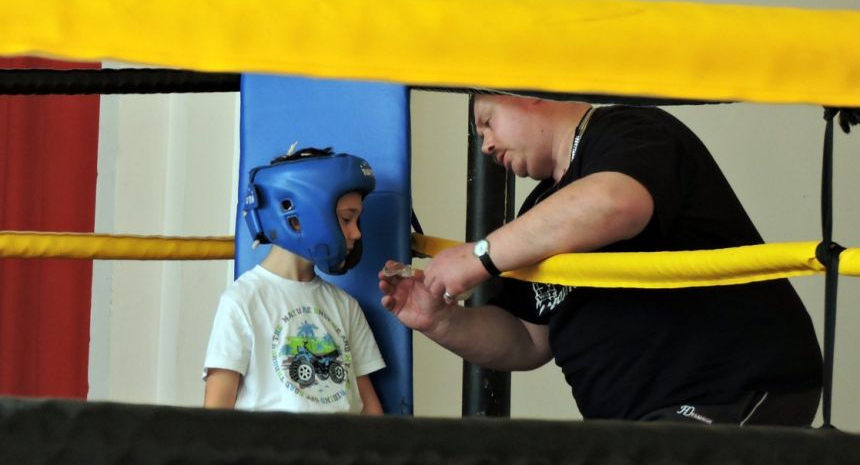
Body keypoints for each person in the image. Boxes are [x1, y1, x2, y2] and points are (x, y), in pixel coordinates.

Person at [379, 94, 823, 425]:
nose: (486, 147)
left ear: (527, 92)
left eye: (488, 123)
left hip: (728, 392)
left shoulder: (629, 132)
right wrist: (439, 320)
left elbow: (616, 202)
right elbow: (528, 340)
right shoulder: (536, 216)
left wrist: (482, 254)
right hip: (637, 423)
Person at [204, 147, 385, 415]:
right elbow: (215, 414)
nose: (356, 233)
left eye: (357, 220)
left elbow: (369, 407)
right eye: (347, 219)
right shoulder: (243, 301)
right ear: (298, 219)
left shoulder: (344, 305)